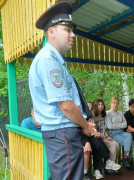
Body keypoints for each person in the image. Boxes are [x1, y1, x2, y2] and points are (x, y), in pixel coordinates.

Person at [29, 2, 95, 179]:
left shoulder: (54, 60)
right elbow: (65, 105)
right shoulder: (49, 60)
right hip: (62, 133)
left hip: (61, 134)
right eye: (67, 29)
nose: (73, 34)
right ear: (51, 32)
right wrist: (86, 125)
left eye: (72, 30)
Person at [106, 97, 134, 169]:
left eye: (117, 103)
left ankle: (125, 158)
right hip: (113, 134)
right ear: (111, 103)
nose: (115, 104)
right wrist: (120, 124)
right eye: (114, 103)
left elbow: (125, 124)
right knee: (130, 141)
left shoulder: (120, 113)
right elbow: (110, 126)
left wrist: (115, 124)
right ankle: (127, 159)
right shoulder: (108, 113)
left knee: (129, 135)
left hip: (122, 132)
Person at [93, 99, 120, 163]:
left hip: (104, 136)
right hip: (97, 137)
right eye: (99, 105)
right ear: (95, 106)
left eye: (102, 104)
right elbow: (93, 130)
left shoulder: (104, 115)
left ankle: (114, 163)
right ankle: (110, 166)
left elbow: (105, 128)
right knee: (113, 146)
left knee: (117, 145)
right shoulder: (93, 116)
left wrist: (107, 136)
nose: (101, 106)